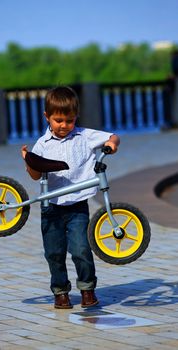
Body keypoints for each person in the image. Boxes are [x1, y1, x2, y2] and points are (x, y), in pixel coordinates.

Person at [21, 86, 120, 309]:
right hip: (51, 208)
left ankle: (87, 289)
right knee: (54, 253)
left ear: (76, 117)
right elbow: (36, 176)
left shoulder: (84, 136)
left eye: (69, 120)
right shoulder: (42, 145)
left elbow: (113, 136)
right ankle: (60, 292)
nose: (64, 126)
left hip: (77, 206)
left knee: (81, 249)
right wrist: (29, 161)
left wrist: (111, 144)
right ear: (47, 117)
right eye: (58, 120)